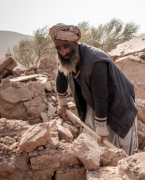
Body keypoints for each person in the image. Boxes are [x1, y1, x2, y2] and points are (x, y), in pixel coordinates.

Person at [49, 23, 138, 155]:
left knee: (120, 149)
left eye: (66, 46)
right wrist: (62, 103)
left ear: (75, 42)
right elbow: (61, 76)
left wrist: (101, 129)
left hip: (119, 103)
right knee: (95, 147)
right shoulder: (65, 56)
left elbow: (101, 96)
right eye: (59, 48)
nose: (63, 51)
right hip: (95, 102)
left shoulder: (96, 62)